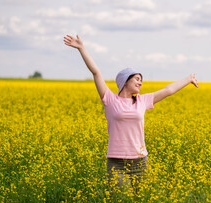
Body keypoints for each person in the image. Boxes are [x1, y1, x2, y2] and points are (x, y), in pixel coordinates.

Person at [63, 34, 199, 191]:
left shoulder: (143, 101)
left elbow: (168, 90)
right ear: (125, 81)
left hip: (140, 162)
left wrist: (188, 79)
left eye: (141, 80)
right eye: (136, 79)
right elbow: (96, 73)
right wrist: (81, 48)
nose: (140, 82)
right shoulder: (109, 99)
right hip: (116, 163)